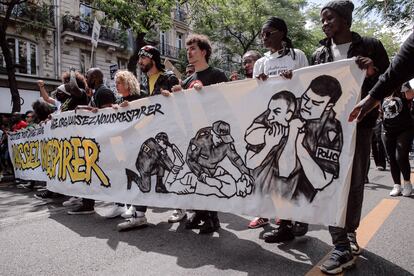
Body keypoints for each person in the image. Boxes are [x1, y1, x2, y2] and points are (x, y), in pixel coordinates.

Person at [311, 1, 390, 274]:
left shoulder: (371, 45)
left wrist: (373, 71)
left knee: (355, 181)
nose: (324, 23)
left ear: (345, 20)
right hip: (328, 129)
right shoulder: (319, 53)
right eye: (322, 19)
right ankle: (340, 244)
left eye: (329, 18)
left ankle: (350, 232)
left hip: (361, 124)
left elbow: (388, 81)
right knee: (333, 181)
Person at [251, 16, 309, 234]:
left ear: (282, 34)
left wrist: (294, 79)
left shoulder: (298, 56)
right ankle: (284, 221)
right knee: (277, 174)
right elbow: (257, 96)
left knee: (295, 170)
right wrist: (262, 84)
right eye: (262, 34)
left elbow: (307, 88)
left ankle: (298, 218)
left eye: (269, 33)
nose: (264, 37)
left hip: (294, 125)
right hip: (273, 127)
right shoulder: (261, 63)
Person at [168, 34, 228, 234]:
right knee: (196, 173)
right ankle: (200, 213)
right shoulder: (187, 80)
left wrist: (206, 92)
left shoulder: (217, 75)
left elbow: (225, 102)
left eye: (193, 48)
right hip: (193, 134)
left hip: (211, 134)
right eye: (188, 49)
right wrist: (175, 95)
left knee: (209, 173)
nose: (189, 52)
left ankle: (213, 218)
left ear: (204, 52)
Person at [117, 46, 182, 230]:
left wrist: (173, 97)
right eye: (139, 58)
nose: (140, 62)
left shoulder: (168, 77)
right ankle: (139, 214)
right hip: (150, 134)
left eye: (143, 58)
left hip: (168, 135)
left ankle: (182, 206)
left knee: (168, 173)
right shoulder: (146, 81)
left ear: (152, 58)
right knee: (145, 170)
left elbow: (181, 103)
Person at [67, 68, 116, 215]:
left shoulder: (104, 92)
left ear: (94, 78)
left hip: (104, 141)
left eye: (87, 76)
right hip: (96, 140)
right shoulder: (97, 92)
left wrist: (86, 108)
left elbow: (107, 115)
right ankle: (87, 203)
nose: (85, 79)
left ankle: (120, 204)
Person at [35, 68, 89, 202]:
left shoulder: (80, 94)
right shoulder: (66, 101)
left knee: (77, 166)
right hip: (65, 138)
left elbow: (74, 87)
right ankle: (72, 193)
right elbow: (50, 102)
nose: (63, 86)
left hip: (77, 136)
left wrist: (72, 73)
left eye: (66, 83)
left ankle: (83, 197)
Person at [349, 30, 414, 122]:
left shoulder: (371, 45)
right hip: (385, 127)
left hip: (403, 125)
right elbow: (397, 70)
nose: (325, 24)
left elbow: (409, 95)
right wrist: (372, 99)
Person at [382, 83, 414, 197]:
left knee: (400, 157)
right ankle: (396, 185)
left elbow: (411, 95)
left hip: (404, 129)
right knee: (391, 159)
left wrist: (404, 83)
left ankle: (407, 183)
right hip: (388, 130)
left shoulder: (401, 87)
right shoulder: (383, 90)